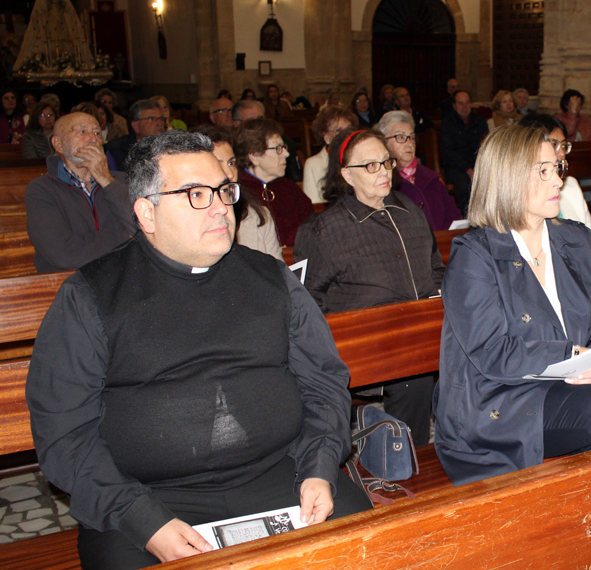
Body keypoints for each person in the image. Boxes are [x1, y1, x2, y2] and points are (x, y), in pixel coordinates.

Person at [27, 130, 372, 570]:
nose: (220, 207)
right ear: (146, 213)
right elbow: (64, 434)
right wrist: (143, 520)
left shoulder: (271, 278)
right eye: (195, 194)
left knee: (373, 549)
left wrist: (320, 468)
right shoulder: (91, 296)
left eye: (223, 190)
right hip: (147, 498)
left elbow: (324, 384)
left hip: (283, 474)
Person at [433, 123, 591, 486]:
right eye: (543, 171)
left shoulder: (576, 240)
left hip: (572, 392)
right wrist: (579, 356)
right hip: (502, 403)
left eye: (556, 168)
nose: (558, 181)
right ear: (507, 177)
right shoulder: (476, 255)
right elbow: (493, 352)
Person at [294, 129, 442, 445]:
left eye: (386, 162)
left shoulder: (409, 210)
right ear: (347, 175)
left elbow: (435, 269)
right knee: (413, 379)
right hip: (366, 343)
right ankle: (407, 455)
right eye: (371, 166)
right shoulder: (326, 230)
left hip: (422, 332)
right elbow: (307, 299)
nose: (384, 172)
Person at [24, 112, 135, 273]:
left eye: (97, 133)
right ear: (58, 144)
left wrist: (106, 180)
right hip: (69, 281)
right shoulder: (41, 190)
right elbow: (63, 255)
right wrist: (126, 238)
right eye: (82, 132)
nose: (93, 139)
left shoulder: (122, 181)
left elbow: (143, 228)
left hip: (123, 275)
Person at [193, 124, 283, 261]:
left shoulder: (258, 216)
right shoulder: (189, 219)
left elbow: (277, 271)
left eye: (231, 163)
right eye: (219, 163)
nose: (229, 174)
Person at [234, 118, 314, 247]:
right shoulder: (239, 193)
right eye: (278, 149)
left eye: (284, 147)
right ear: (255, 156)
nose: (286, 154)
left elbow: (312, 229)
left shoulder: (290, 189)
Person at [377, 110, 461, 231]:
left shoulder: (433, 179)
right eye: (400, 137)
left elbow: (454, 219)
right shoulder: (382, 181)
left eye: (412, 137)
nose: (409, 143)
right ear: (384, 143)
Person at [519, 113, 591, 236]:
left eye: (564, 146)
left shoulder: (571, 186)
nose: (561, 153)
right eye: (554, 144)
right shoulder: (519, 194)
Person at [439, 89, 488, 214]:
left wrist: (478, 167)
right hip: (457, 166)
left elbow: (486, 146)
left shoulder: (480, 121)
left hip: (477, 163)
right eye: (460, 103)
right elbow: (447, 152)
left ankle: (486, 215)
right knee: (464, 185)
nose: (464, 106)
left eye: (467, 103)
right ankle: (465, 215)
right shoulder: (448, 123)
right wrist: (467, 169)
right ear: (454, 106)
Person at [303, 106, 355, 204]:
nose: (346, 135)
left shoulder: (360, 159)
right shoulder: (313, 164)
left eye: (349, 129)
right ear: (325, 136)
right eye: (339, 131)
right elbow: (314, 206)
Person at [105, 99, 166, 172]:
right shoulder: (115, 151)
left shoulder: (168, 148)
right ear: (135, 126)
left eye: (160, 119)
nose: (159, 123)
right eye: (151, 119)